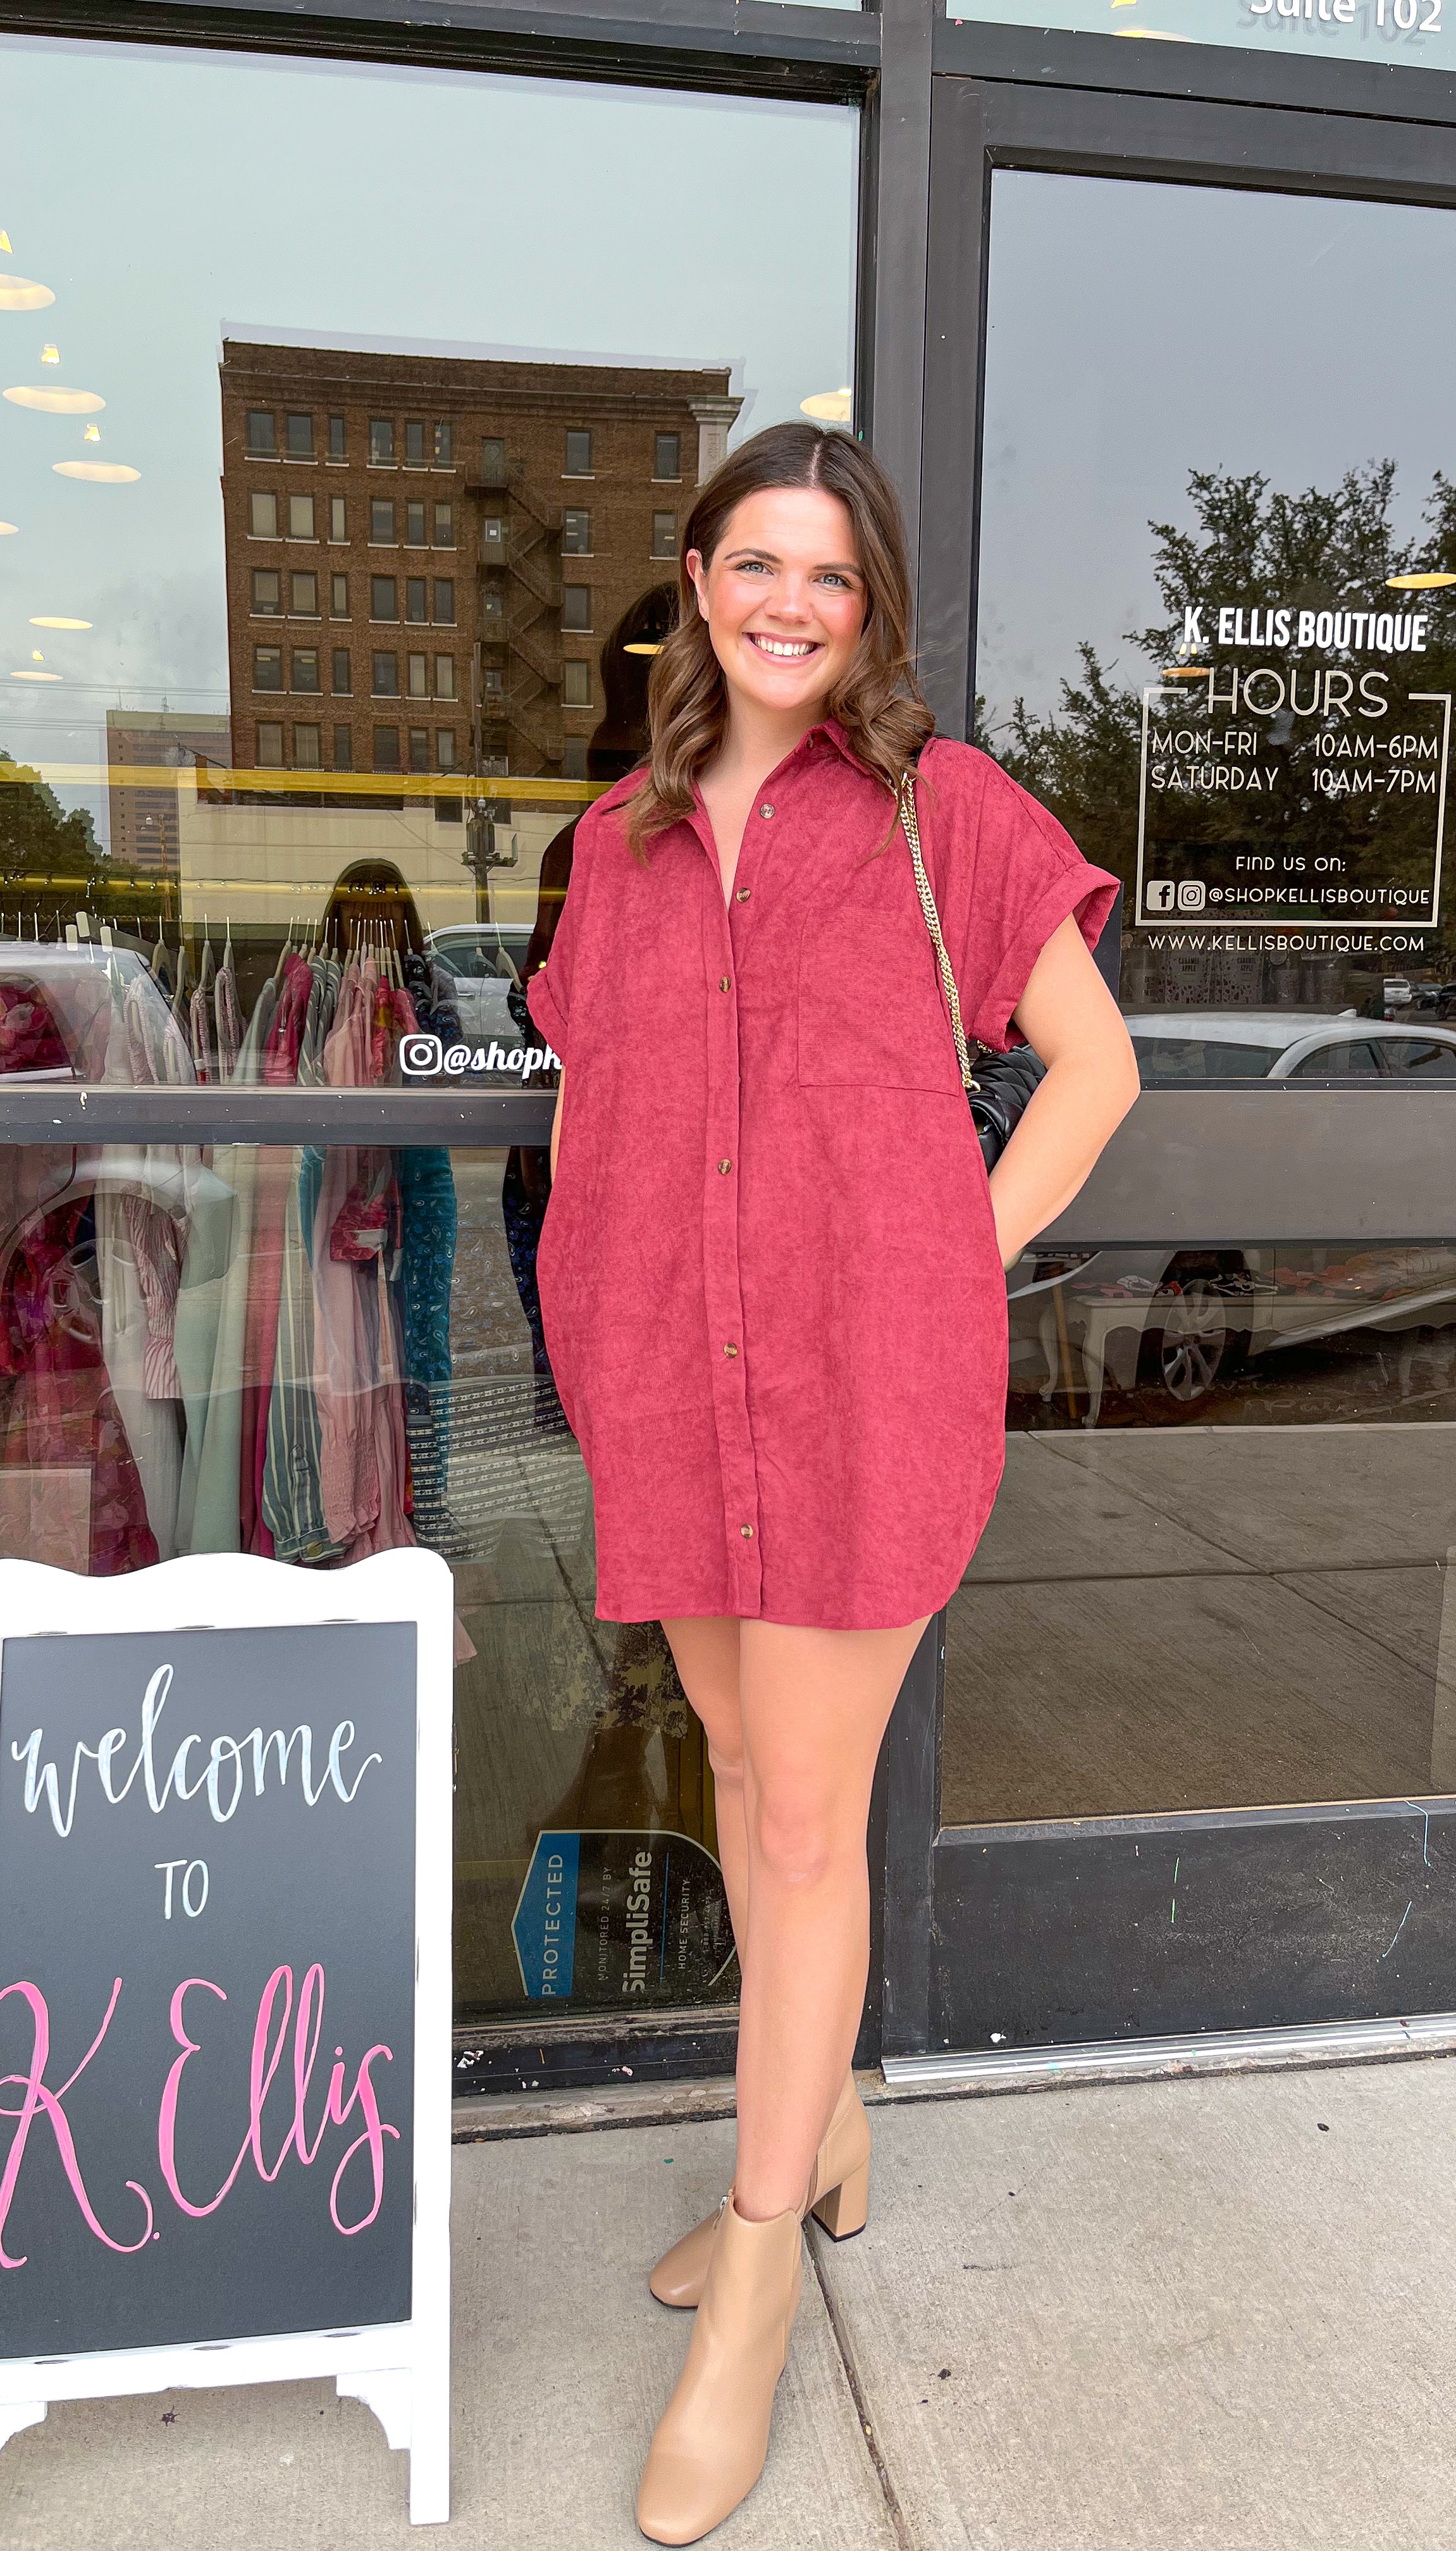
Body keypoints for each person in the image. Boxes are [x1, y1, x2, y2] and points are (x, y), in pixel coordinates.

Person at [523, 420, 1137, 2545]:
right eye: (755, 563)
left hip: (864, 1396)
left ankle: (760, 2270)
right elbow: (612, 1108)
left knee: (800, 1824)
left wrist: (943, 1260)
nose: (789, 604)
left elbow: (1098, 1067)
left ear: (868, 610)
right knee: (738, 1765)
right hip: (676, 1392)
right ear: (697, 579)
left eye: (831, 576)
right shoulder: (614, 842)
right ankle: (837, 2122)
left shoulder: (936, 814)